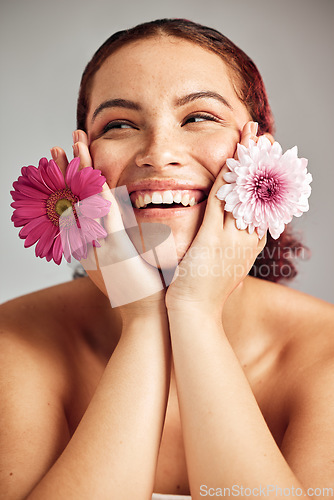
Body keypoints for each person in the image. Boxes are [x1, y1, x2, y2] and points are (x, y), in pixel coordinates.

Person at [1, 18, 334, 500]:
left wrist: (194, 311)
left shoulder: (325, 352)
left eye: (198, 116)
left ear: (260, 150)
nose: (158, 153)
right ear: (83, 163)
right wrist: (142, 319)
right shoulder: (15, 343)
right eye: (118, 125)